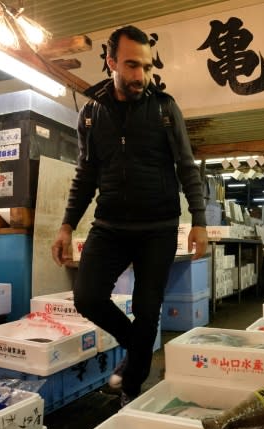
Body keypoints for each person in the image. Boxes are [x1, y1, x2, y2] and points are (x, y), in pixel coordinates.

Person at [51, 25, 207, 404]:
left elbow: (186, 166)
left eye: (147, 66)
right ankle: (137, 348)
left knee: (147, 307)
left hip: (158, 227)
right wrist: (66, 225)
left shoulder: (165, 109)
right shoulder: (91, 113)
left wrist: (200, 221)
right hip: (110, 225)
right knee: (87, 297)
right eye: (132, 65)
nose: (141, 75)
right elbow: (86, 174)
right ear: (111, 62)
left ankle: (132, 386)